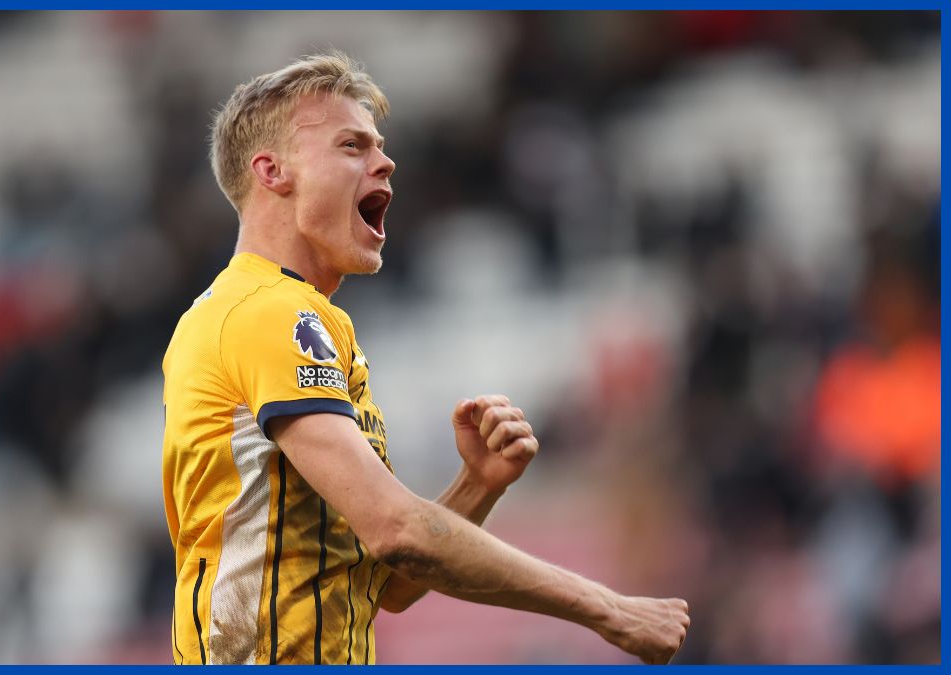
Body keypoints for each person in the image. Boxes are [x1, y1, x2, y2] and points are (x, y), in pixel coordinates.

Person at [161, 51, 689, 665]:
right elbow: (397, 530)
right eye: (351, 146)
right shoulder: (267, 312)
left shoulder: (286, 319)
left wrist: (476, 485)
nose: (385, 162)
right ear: (273, 171)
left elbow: (390, 584)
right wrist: (608, 608)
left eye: (379, 146)